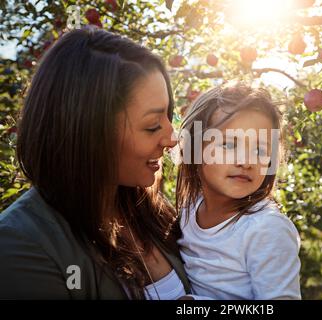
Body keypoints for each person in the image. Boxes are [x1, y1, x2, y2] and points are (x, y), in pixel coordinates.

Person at [0, 27, 190, 299]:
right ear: (88, 132)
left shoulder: (153, 213)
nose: (171, 139)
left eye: (168, 117)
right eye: (151, 126)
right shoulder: (21, 246)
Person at [176, 83, 301, 300]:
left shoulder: (266, 229)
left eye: (260, 150)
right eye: (229, 145)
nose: (246, 161)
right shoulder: (189, 209)